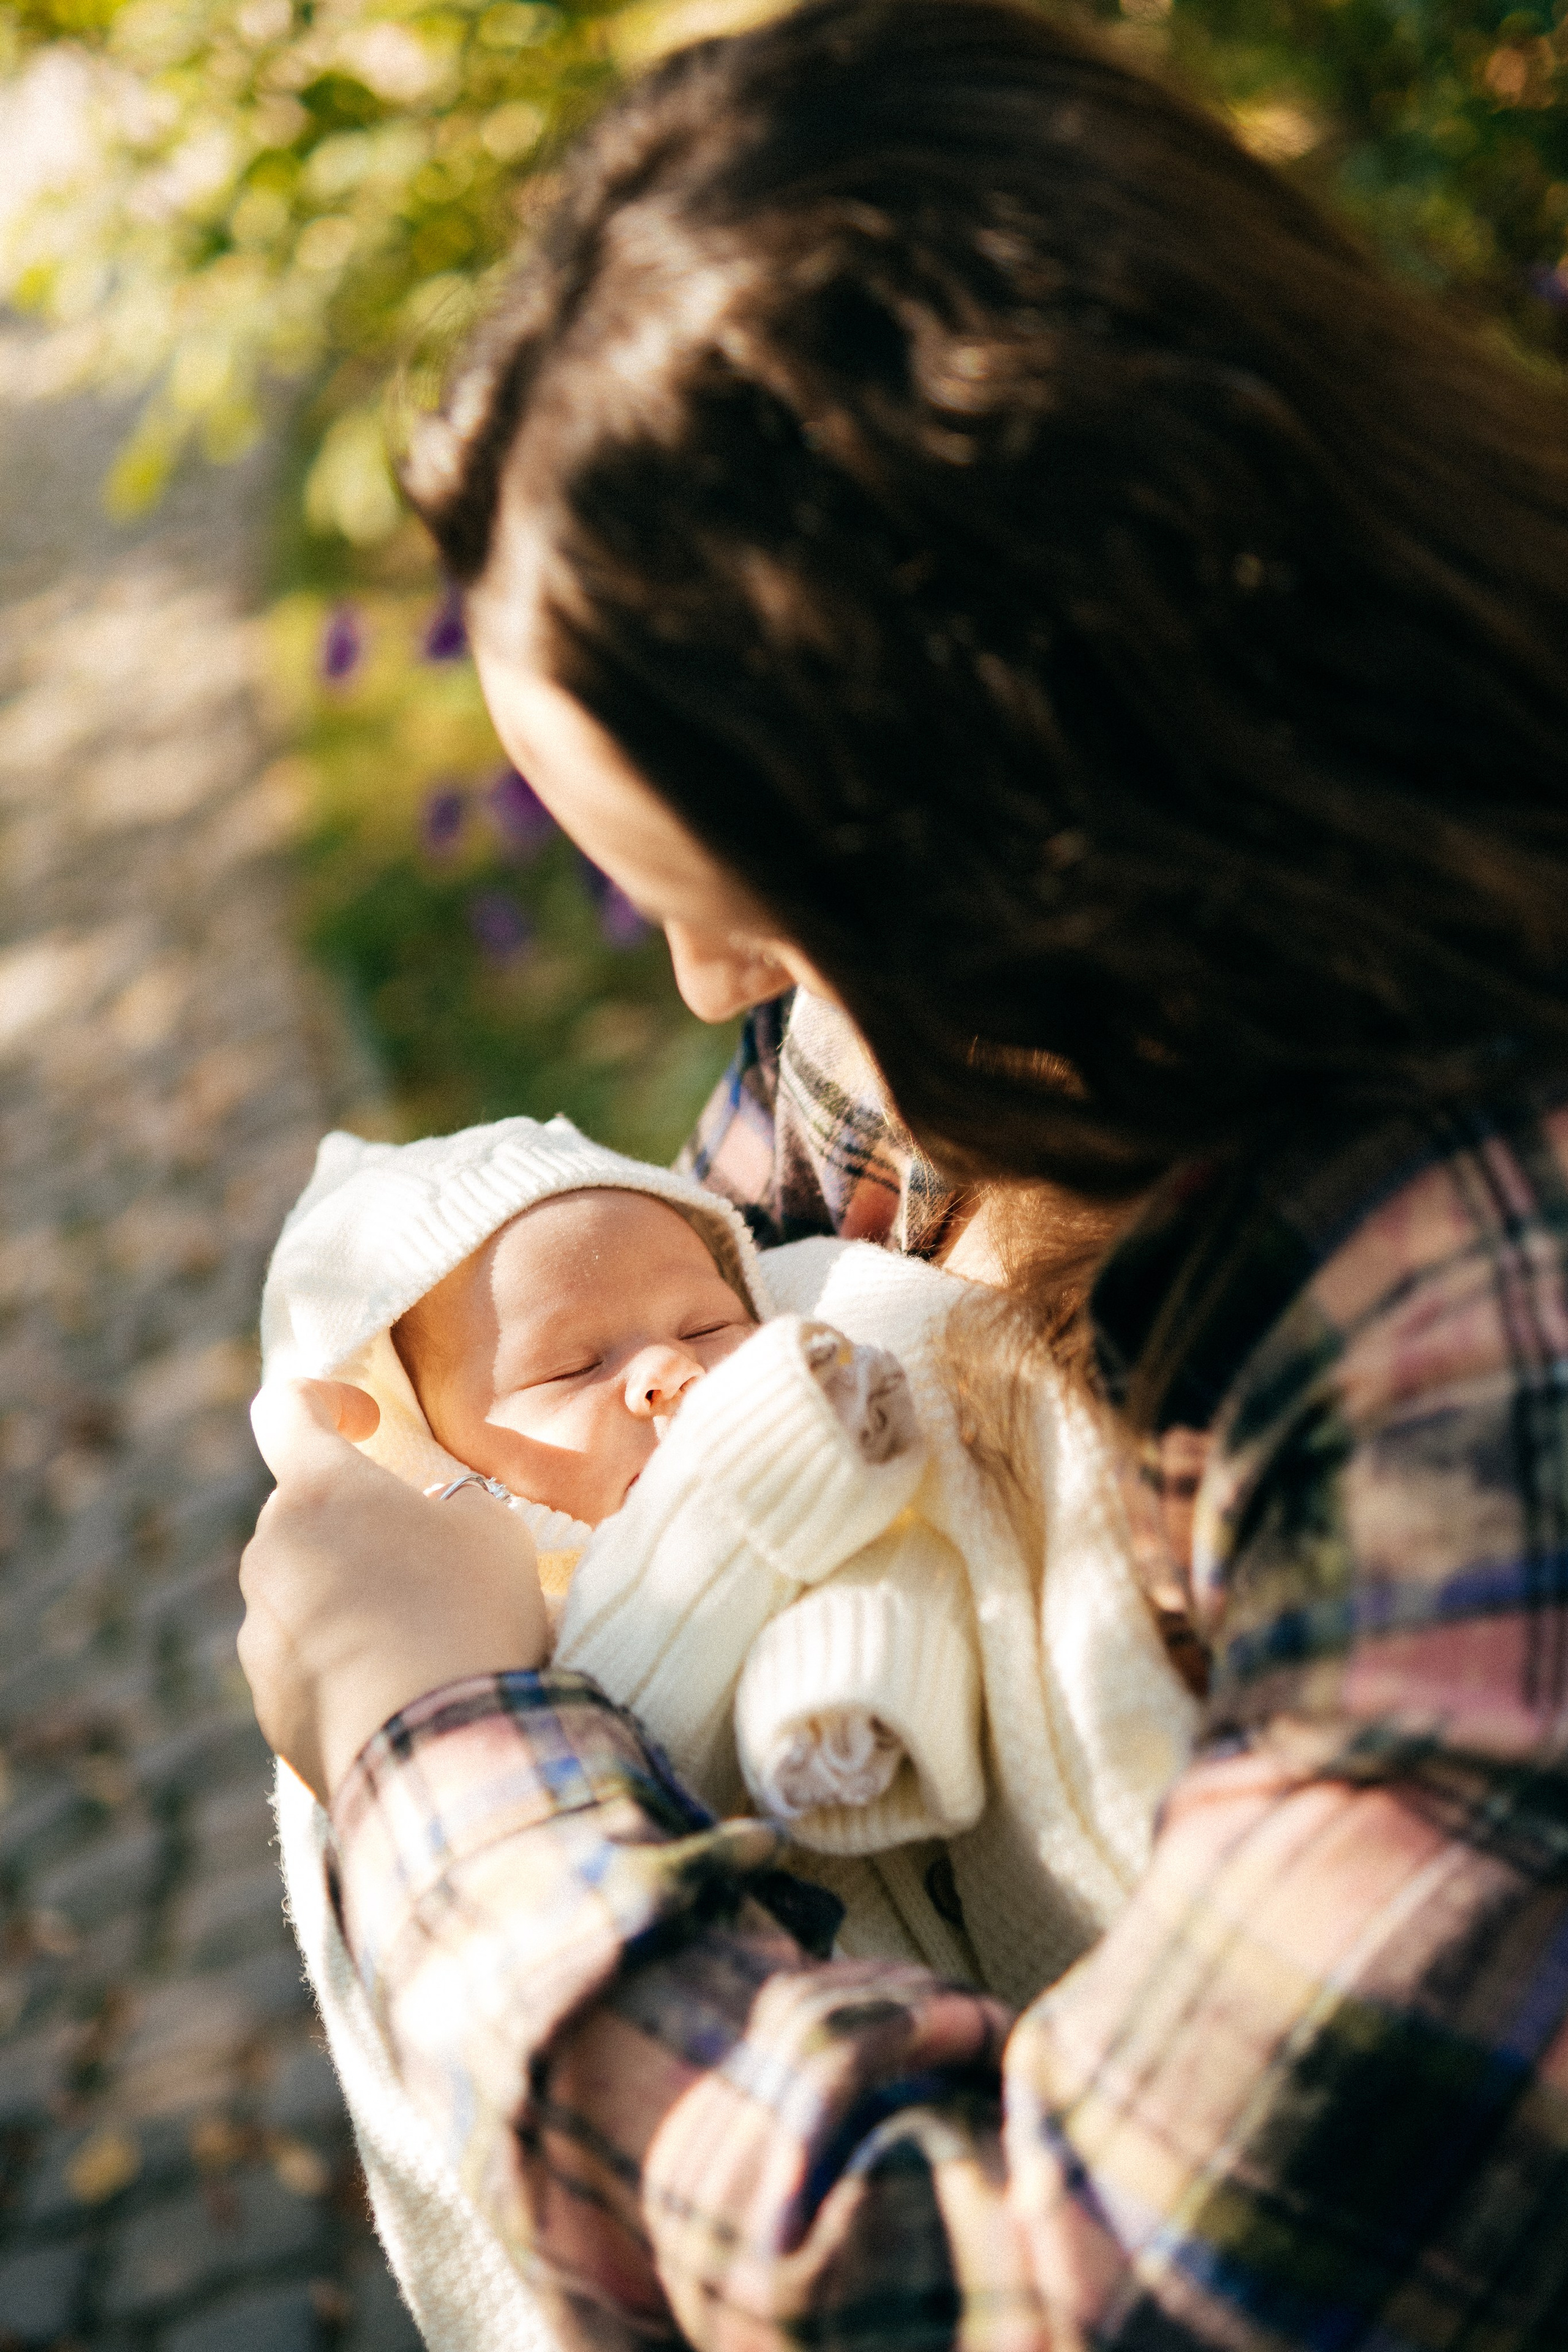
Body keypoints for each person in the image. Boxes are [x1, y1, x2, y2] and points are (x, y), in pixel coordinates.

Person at [238, 0, 1568, 2343]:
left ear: (1060, 803)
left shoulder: (1482, 1345)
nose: (705, 990)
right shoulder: (955, 1018)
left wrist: (430, 1753)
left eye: (754, 900)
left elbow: (1070, 2289)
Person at [260, 1110, 1192, 2350]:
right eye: (569, 1367)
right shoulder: (499, 1630)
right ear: (428, 1451)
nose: (666, 1369)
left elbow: (906, 1575)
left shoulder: (815, 1451)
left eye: (704, 1323)